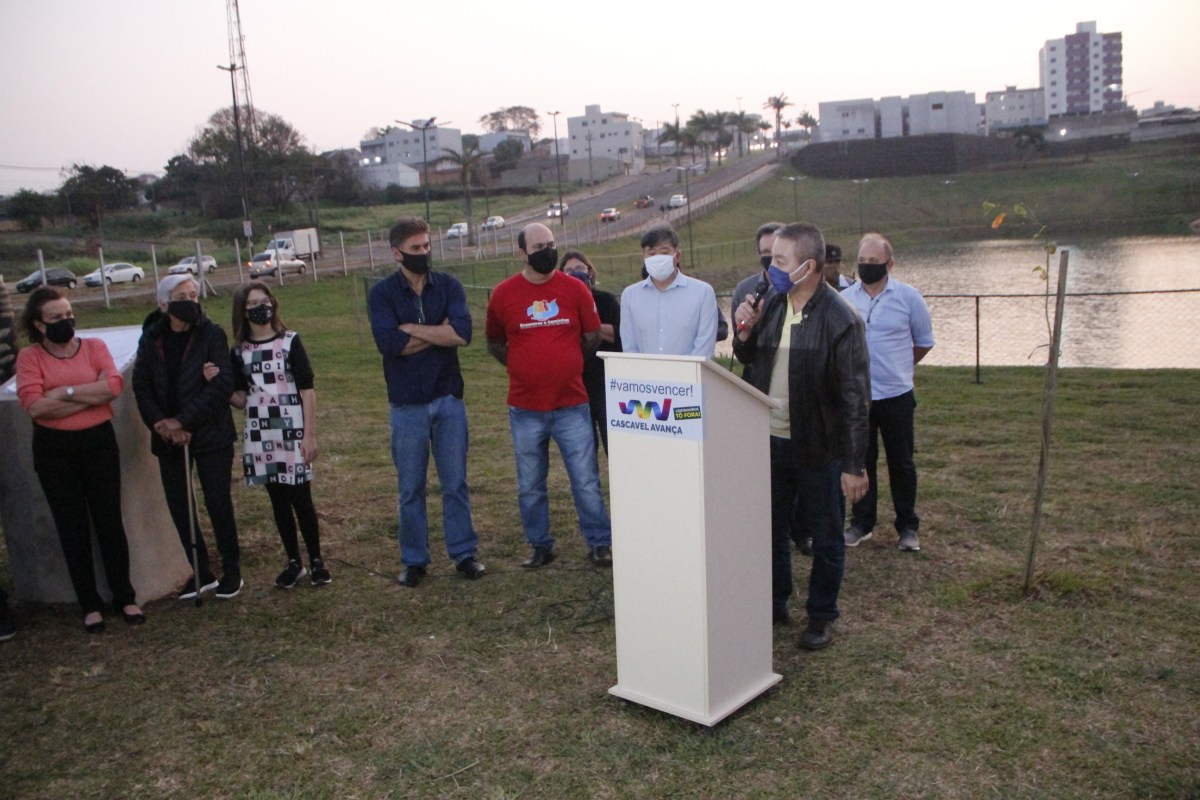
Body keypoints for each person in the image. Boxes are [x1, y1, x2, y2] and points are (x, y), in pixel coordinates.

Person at [732, 222, 870, 649]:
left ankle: (821, 615)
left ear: (808, 266)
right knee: (771, 528)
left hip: (819, 447)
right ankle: (774, 601)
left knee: (827, 535)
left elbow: (855, 397)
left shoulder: (841, 318)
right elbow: (749, 359)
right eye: (770, 258)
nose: (769, 268)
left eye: (779, 261)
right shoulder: (771, 301)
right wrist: (744, 333)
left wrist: (853, 464)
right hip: (768, 440)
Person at [15, 288, 145, 632]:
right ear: (40, 325)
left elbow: (113, 388)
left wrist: (65, 392)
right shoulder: (30, 358)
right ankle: (90, 604)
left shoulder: (94, 348)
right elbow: (35, 406)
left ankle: (125, 596)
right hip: (54, 449)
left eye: (69, 314)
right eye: (56, 318)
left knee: (108, 521)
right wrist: (90, 394)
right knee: (72, 526)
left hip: (98, 443)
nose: (66, 321)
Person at [485, 222, 613, 569]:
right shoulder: (503, 294)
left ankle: (600, 543)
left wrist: (565, 363)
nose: (548, 251)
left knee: (585, 479)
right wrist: (522, 366)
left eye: (552, 244)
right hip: (525, 407)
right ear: (522, 253)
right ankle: (540, 545)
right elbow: (495, 341)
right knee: (530, 484)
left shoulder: (574, 290)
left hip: (572, 403)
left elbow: (590, 336)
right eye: (539, 246)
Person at [369, 216, 483, 588]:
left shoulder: (447, 285)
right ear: (396, 253)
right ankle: (414, 560)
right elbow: (390, 344)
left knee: (455, 483)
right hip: (407, 405)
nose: (424, 253)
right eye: (416, 248)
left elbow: (462, 333)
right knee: (410, 488)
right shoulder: (382, 294)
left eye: (427, 246)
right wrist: (439, 332)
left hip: (447, 398)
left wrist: (413, 330)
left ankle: (464, 553)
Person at [133, 274, 242, 600]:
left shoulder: (212, 334)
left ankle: (232, 570)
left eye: (194, 295)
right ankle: (201, 569)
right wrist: (161, 425)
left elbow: (220, 386)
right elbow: (142, 386)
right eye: (183, 295)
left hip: (211, 433)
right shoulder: (151, 338)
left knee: (217, 501)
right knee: (180, 503)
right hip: (168, 438)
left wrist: (181, 421)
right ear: (164, 303)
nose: (191, 301)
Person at [226, 281, 331, 588]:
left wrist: (308, 434)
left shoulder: (290, 341)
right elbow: (243, 399)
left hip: (293, 430)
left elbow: (307, 390)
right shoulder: (239, 352)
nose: (262, 308)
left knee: (301, 498)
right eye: (253, 305)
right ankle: (293, 562)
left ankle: (316, 561)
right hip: (261, 435)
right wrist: (220, 387)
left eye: (265, 301)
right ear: (243, 314)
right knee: (278, 500)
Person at [841, 232, 935, 552]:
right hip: (858, 398)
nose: (867, 267)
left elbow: (923, 341)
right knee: (861, 461)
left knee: (902, 463)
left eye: (874, 262)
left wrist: (901, 367)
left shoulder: (909, 298)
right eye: (862, 262)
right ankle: (861, 523)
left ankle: (907, 527)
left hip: (896, 395)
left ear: (889, 264)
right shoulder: (845, 298)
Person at [619, 226, 719, 357]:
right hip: (644, 375)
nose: (658, 258)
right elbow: (629, 346)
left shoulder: (702, 293)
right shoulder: (630, 296)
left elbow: (704, 346)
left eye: (664, 252)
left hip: (689, 375)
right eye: (651, 253)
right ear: (643, 257)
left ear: (677, 256)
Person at [559, 250, 621, 455]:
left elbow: (619, 335)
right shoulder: (559, 305)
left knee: (613, 444)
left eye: (579, 269)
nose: (575, 273)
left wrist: (588, 323)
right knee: (584, 448)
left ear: (590, 272)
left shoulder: (606, 301)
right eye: (568, 270)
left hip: (606, 383)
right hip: (576, 384)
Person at [731, 222, 785, 381]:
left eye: (777, 251)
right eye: (766, 252)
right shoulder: (744, 289)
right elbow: (741, 349)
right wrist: (745, 329)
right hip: (756, 381)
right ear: (758, 253)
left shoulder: (800, 288)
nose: (772, 257)